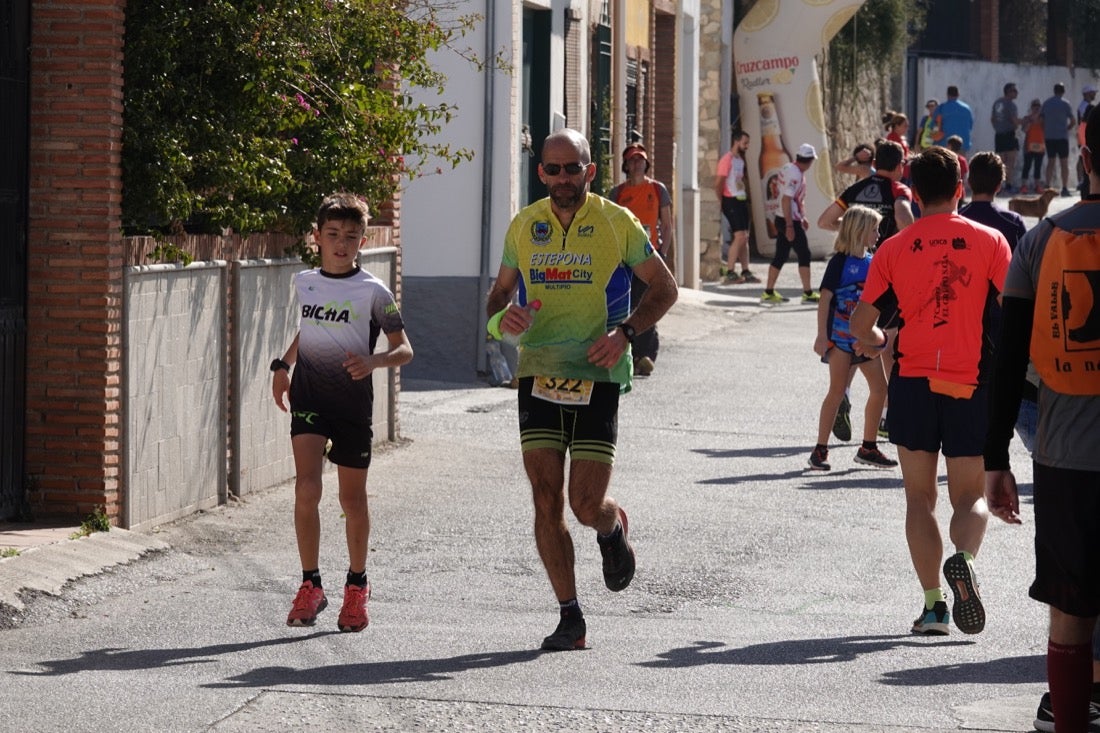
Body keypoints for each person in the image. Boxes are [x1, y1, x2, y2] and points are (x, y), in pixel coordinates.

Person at [485, 128, 678, 651]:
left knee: (583, 503)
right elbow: (497, 299)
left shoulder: (618, 221)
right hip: (539, 373)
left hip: (599, 373)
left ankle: (610, 526)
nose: (563, 178)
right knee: (545, 499)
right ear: (540, 173)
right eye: (553, 169)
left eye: (573, 168)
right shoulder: (525, 226)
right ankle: (570, 616)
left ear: (590, 172)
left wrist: (627, 335)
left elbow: (665, 287)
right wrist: (505, 318)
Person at [849, 146, 1011, 637]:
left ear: (914, 194)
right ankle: (963, 560)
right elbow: (1011, 313)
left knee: (919, 499)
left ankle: (935, 606)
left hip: (914, 381)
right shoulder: (992, 241)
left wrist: (878, 340)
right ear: (959, 190)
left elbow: (862, 325)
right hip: (972, 381)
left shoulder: (894, 248)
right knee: (969, 496)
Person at [984, 107, 1100, 733]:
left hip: (1065, 457)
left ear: (1084, 160)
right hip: (1066, 455)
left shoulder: (1042, 240)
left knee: (1070, 610)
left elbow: (1008, 361)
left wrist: (997, 456)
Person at [272, 193, 414, 632]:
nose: (341, 244)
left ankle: (357, 585)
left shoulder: (374, 291)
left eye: (351, 237)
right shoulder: (305, 281)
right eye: (332, 235)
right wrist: (283, 365)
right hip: (310, 399)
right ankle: (311, 584)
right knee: (306, 490)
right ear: (317, 237)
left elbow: (405, 349)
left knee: (351, 499)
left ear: (363, 240)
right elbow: (311, 329)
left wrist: (374, 362)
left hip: (352, 404)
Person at [818, 139, 915, 438]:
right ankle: (885, 416)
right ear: (900, 167)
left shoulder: (857, 188)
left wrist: (851, 233)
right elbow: (903, 218)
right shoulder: (899, 190)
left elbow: (825, 220)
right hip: (883, 275)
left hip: (851, 275)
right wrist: (909, 243)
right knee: (886, 344)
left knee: (852, 339)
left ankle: (844, 395)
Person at [808, 205, 896, 472]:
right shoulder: (839, 262)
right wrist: (822, 335)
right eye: (874, 229)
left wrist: (874, 337)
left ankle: (868, 447)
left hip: (864, 339)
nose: (878, 234)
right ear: (859, 231)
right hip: (839, 340)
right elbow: (825, 299)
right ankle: (819, 450)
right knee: (837, 391)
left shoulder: (873, 262)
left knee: (880, 389)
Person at [607, 142, 675, 376]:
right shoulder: (617, 193)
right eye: (632, 160)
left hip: (649, 258)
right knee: (624, 305)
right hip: (624, 260)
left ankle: (645, 356)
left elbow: (667, 225)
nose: (637, 164)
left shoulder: (658, 190)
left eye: (641, 160)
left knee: (647, 304)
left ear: (647, 163)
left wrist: (663, 253)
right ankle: (624, 352)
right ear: (626, 164)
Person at [761, 143, 819, 304]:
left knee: (781, 254)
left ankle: (768, 291)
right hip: (788, 219)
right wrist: (790, 226)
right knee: (804, 254)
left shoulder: (788, 167)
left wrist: (802, 216)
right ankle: (807, 293)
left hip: (782, 216)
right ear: (809, 161)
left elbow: (794, 198)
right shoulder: (796, 175)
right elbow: (787, 199)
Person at [713, 130, 761, 285]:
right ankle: (730, 271)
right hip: (730, 200)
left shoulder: (740, 160)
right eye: (745, 143)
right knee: (739, 236)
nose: (747, 146)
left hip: (741, 199)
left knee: (745, 237)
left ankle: (745, 270)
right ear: (736, 141)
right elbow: (719, 182)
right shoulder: (727, 159)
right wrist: (721, 201)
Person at [1041, 82, 1076, 196]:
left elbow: (1041, 120)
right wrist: (1067, 128)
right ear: (1063, 91)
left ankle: (1047, 186)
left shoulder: (1047, 103)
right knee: (1064, 163)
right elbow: (1073, 121)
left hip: (1049, 137)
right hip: (1062, 137)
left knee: (1050, 162)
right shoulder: (1065, 104)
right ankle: (1064, 188)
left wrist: (1046, 130)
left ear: (1054, 90)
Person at [990, 83, 1021, 192]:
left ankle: (998, 185)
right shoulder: (1011, 105)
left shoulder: (997, 103)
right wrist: (1022, 122)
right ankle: (1009, 184)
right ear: (1009, 91)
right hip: (1009, 134)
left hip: (999, 135)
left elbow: (993, 119)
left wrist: (998, 128)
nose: (1016, 92)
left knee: (1000, 161)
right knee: (1010, 161)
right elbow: (1014, 121)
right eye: (1014, 90)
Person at [936, 85, 974, 153]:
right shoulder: (966, 108)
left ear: (947, 95)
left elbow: (935, 125)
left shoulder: (942, 108)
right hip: (962, 144)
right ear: (958, 94)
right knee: (961, 162)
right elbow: (970, 126)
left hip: (946, 144)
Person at [1021, 98, 1046, 194]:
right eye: (1034, 106)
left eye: (1038, 106)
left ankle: (1037, 186)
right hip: (1029, 146)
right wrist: (1030, 121)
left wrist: (1040, 120)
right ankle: (1024, 185)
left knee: (1038, 167)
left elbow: (1046, 129)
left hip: (1040, 146)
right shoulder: (1027, 118)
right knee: (1027, 166)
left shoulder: (1043, 119)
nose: (1036, 108)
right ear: (1031, 108)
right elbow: (1024, 130)